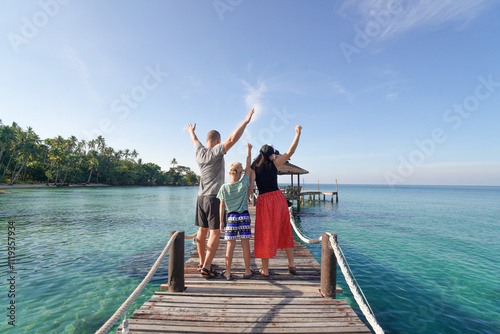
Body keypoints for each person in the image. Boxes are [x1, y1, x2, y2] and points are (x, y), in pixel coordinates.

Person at [185, 108, 254, 278]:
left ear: (207, 140)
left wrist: (191, 132)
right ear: (217, 140)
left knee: (202, 229)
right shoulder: (216, 151)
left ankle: (202, 261)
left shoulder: (199, 151)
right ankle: (207, 266)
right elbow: (232, 139)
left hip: (200, 197)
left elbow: (195, 141)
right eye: (220, 142)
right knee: (214, 231)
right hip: (214, 197)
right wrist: (245, 121)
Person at [249, 125, 302, 277]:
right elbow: (290, 151)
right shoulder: (274, 164)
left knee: (265, 233)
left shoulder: (254, 167)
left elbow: (251, 187)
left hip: (264, 200)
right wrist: (297, 134)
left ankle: (265, 270)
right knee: (285, 230)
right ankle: (291, 264)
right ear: (271, 155)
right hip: (278, 199)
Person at [217, 143, 255, 280]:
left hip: (231, 217)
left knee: (230, 246)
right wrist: (248, 151)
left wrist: (221, 221)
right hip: (244, 216)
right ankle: (247, 271)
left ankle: (227, 272)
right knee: (245, 245)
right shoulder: (244, 182)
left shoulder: (224, 188)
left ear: (229, 172)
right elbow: (249, 166)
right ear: (240, 173)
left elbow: (221, 206)